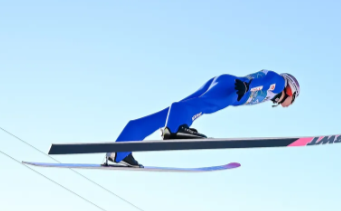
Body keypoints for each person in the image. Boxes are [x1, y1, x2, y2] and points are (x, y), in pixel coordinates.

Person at [107, 71, 300, 167]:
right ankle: (174, 130)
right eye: (292, 100)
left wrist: (247, 86)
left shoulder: (273, 92)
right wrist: (246, 86)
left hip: (226, 82)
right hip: (233, 88)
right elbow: (265, 81)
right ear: (291, 90)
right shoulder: (279, 82)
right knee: (207, 104)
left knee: (164, 115)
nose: (289, 104)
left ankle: (119, 150)